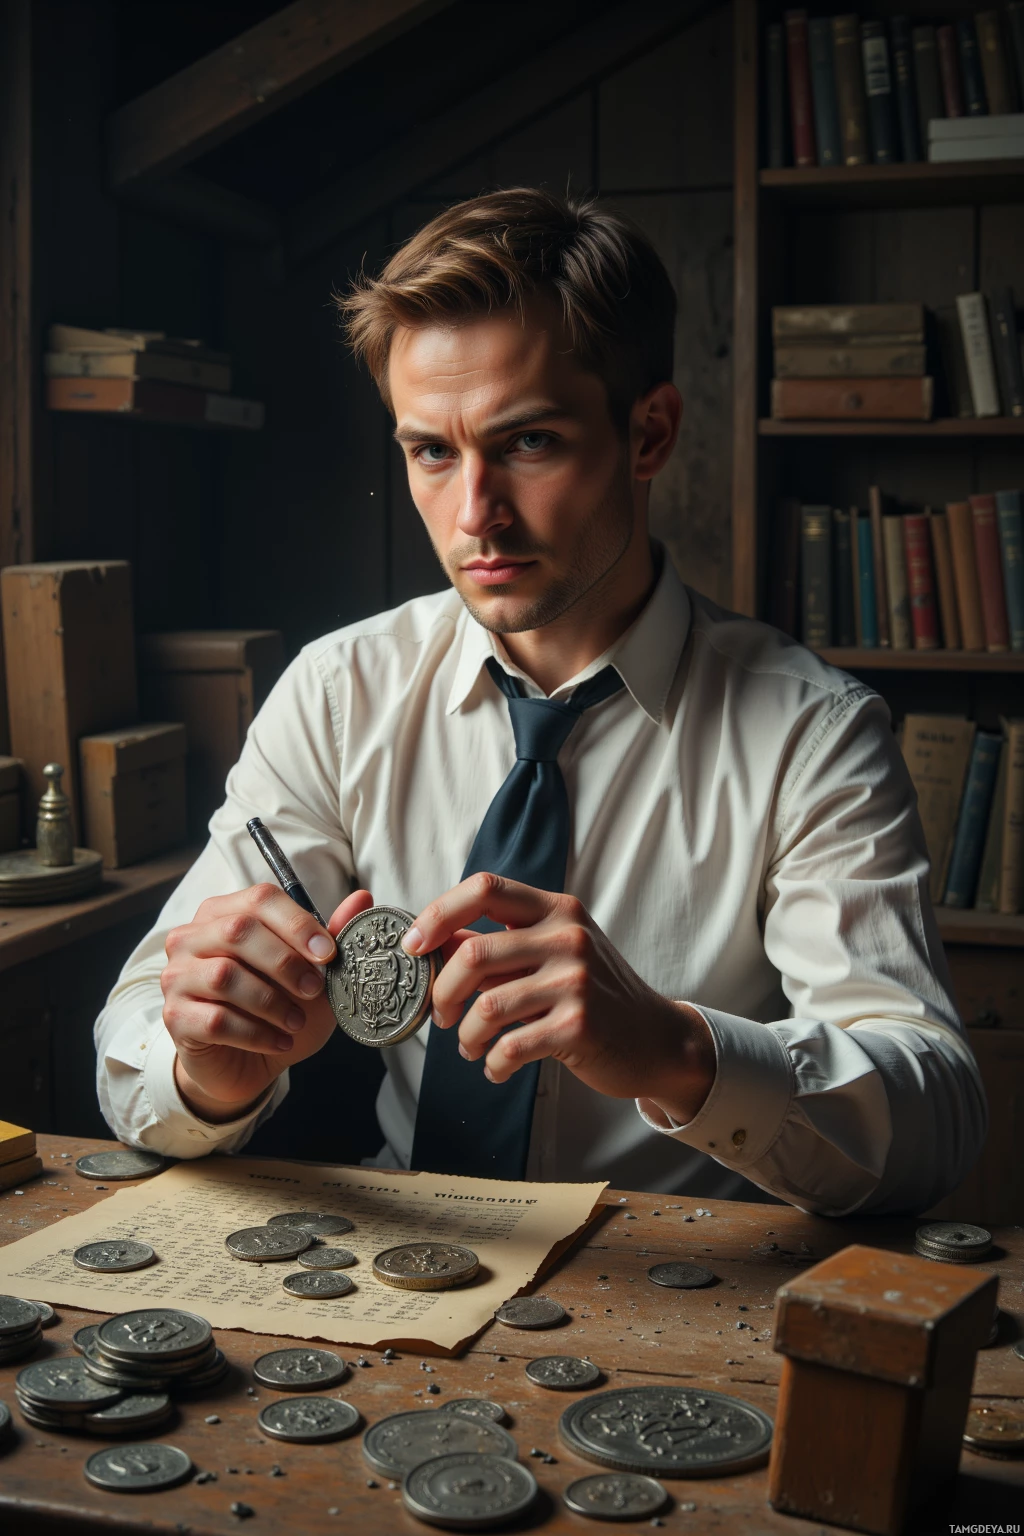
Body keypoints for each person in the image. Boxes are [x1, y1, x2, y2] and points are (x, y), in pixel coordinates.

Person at [95, 187, 985, 1214]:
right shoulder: (340, 694)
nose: (475, 514)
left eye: (527, 443)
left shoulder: (810, 737)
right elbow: (131, 1037)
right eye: (431, 451)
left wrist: (675, 1049)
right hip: (390, 1270)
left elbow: (938, 1117)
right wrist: (209, 1072)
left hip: (675, 1297)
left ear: (648, 434)